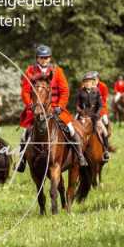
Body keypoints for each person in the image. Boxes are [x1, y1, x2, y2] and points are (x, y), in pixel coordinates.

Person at [16, 44, 87, 172]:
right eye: (42, 58)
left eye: (47, 57)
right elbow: (25, 91)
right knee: (25, 134)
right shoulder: (30, 71)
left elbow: (65, 90)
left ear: (50, 58)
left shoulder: (57, 71)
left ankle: (80, 155)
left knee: (71, 129)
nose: (44, 60)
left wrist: (60, 106)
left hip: (54, 107)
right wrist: (30, 104)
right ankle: (22, 160)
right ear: (37, 58)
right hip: (36, 108)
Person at [75, 72, 110, 162]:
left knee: (105, 132)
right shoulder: (80, 92)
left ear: (93, 82)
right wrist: (81, 112)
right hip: (83, 115)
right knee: (73, 129)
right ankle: (76, 152)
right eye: (86, 82)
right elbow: (77, 105)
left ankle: (106, 151)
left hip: (94, 116)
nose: (87, 83)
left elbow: (100, 105)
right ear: (83, 83)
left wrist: (97, 114)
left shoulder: (96, 91)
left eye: (89, 81)